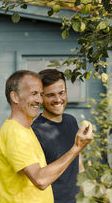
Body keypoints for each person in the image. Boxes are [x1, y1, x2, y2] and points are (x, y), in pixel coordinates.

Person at [0, 70, 93, 203]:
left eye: (40, 94)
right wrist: (77, 147)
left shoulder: (25, 130)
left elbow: (77, 165)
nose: (38, 100)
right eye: (33, 94)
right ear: (15, 97)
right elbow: (40, 180)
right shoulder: (16, 133)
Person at [32, 69, 85, 203]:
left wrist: (86, 195)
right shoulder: (35, 132)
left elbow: (78, 163)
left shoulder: (71, 121)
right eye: (51, 95)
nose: (58, 99)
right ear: (40, 97)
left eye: (61, 93)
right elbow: (38, 179)